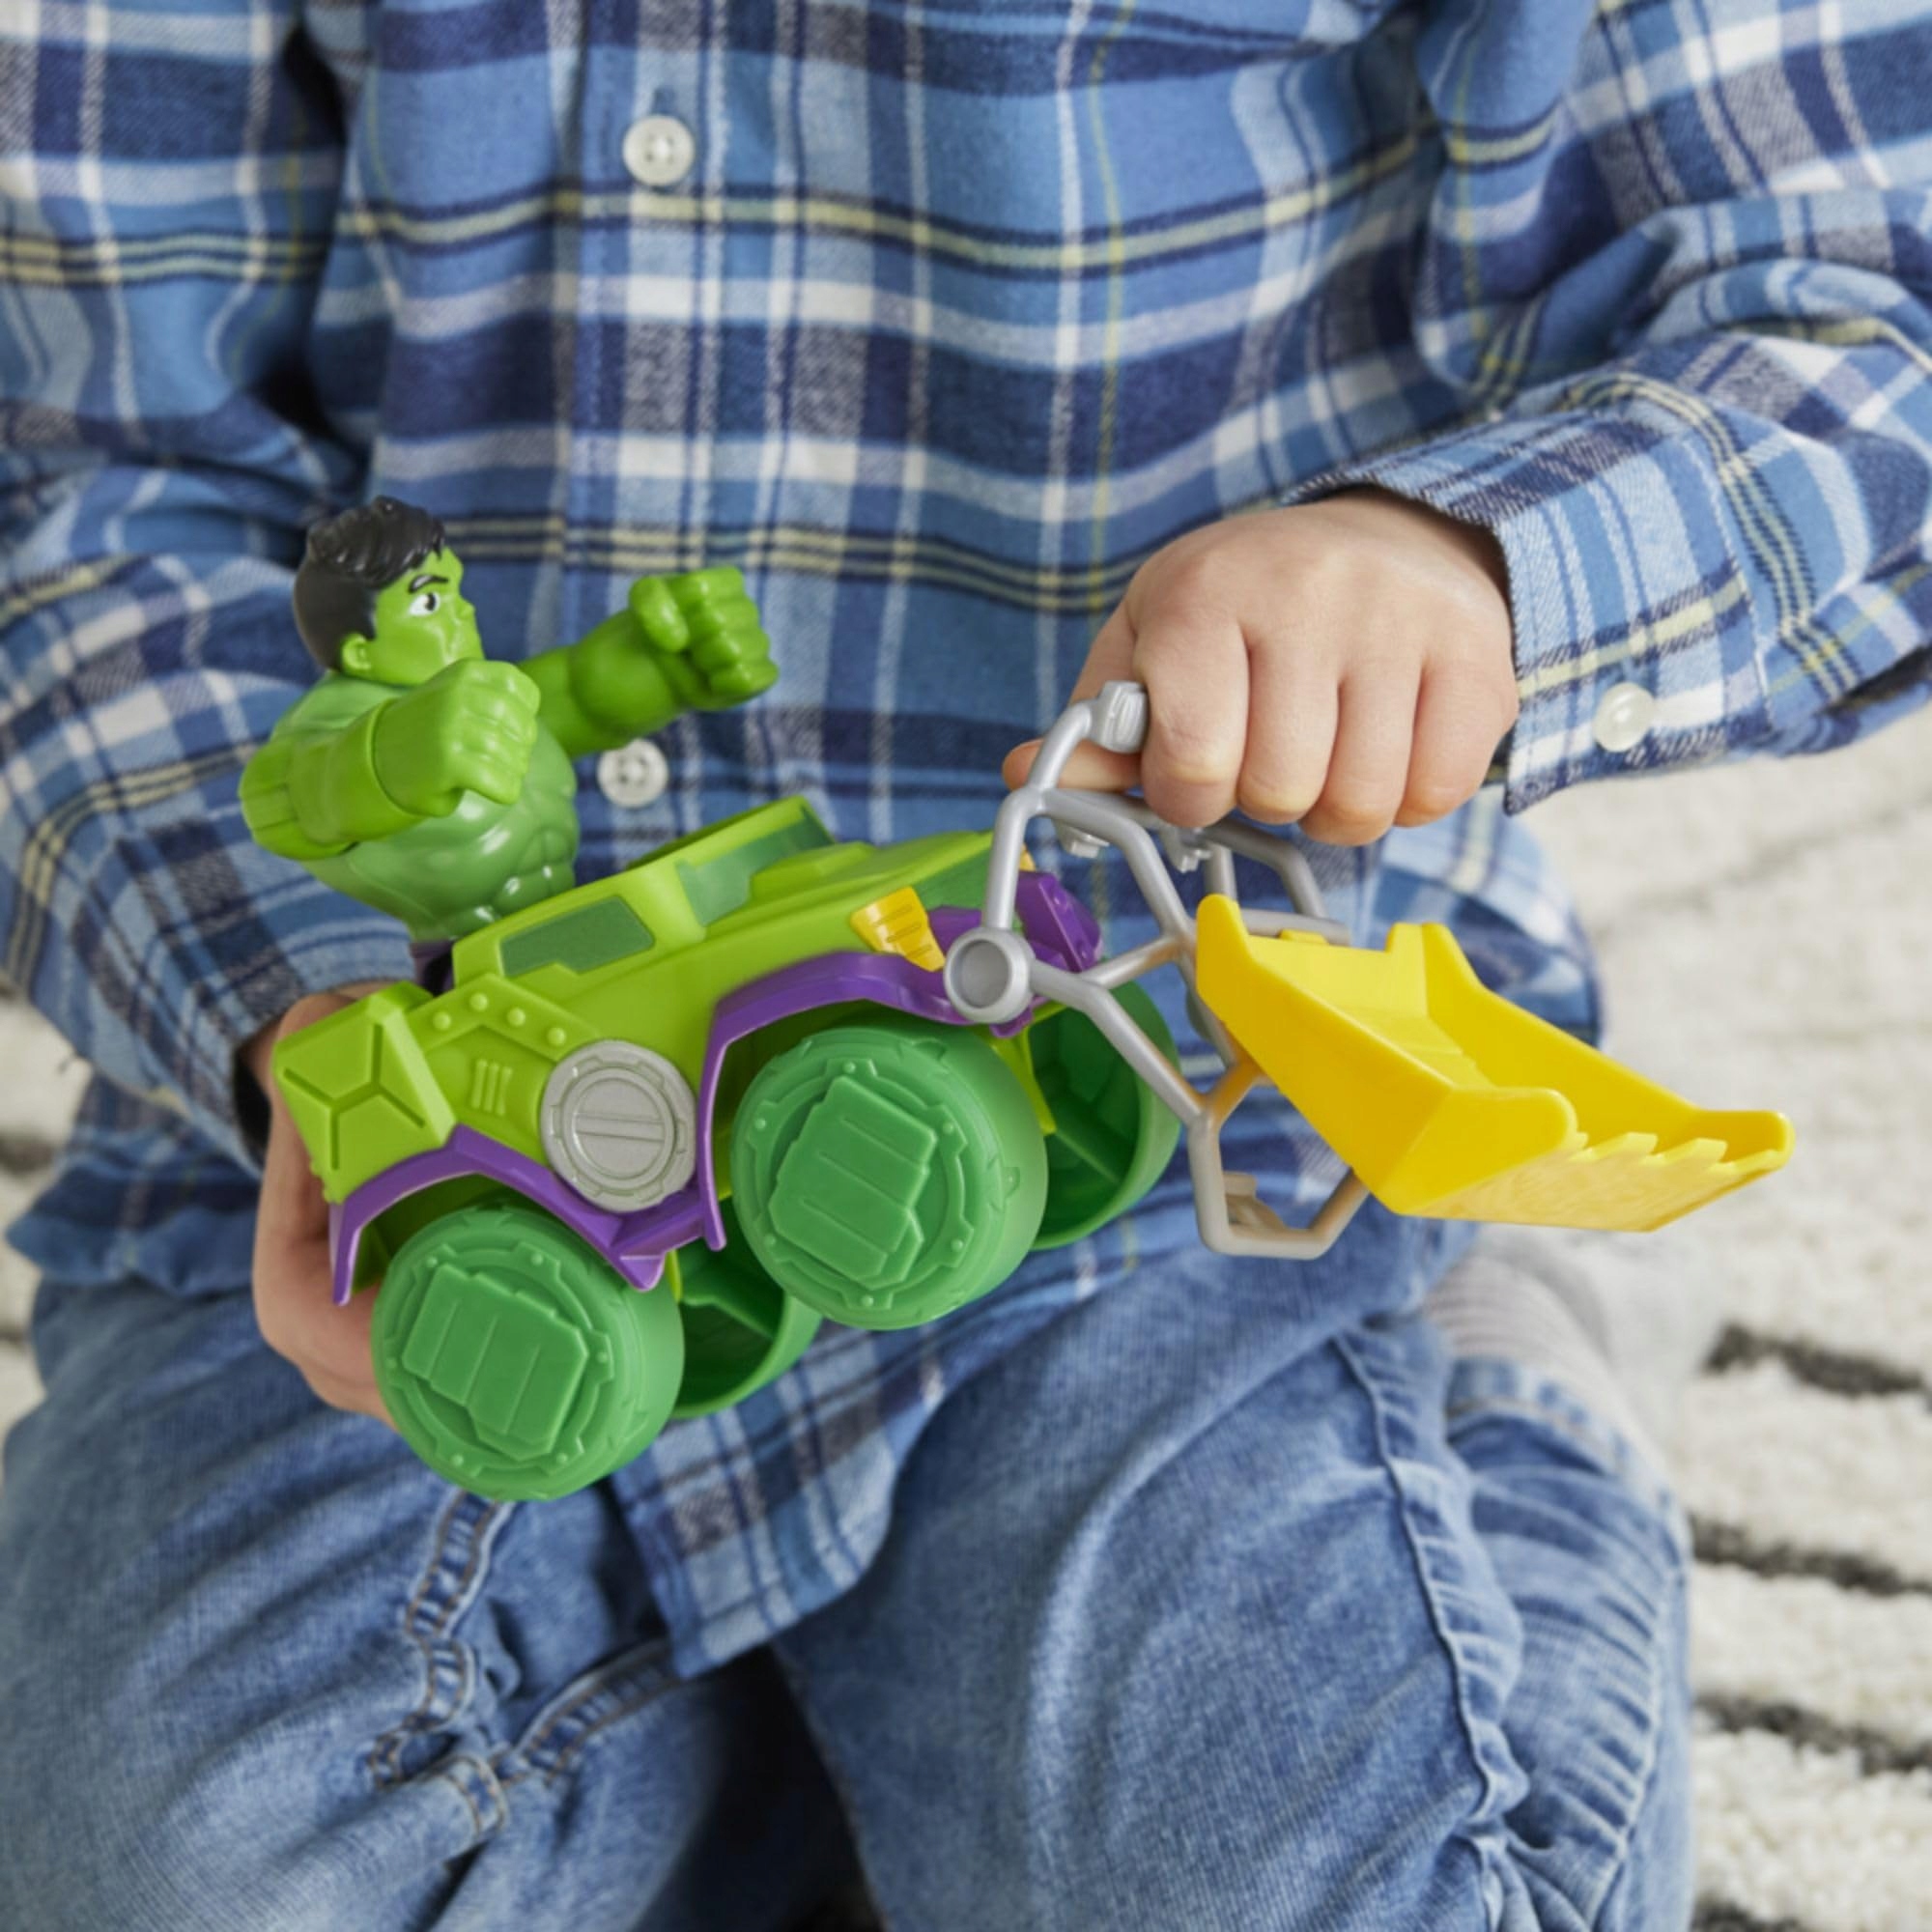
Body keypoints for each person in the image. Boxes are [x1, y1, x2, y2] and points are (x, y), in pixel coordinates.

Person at [0, 5, 1924, 1929]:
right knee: (171, 1881)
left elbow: (1864, 312)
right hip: (371, 1070)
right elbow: (93, 480)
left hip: (1164, 1057)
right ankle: (856, 1756)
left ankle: (1505, 1386)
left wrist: (1464, 567)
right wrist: (299, 990)